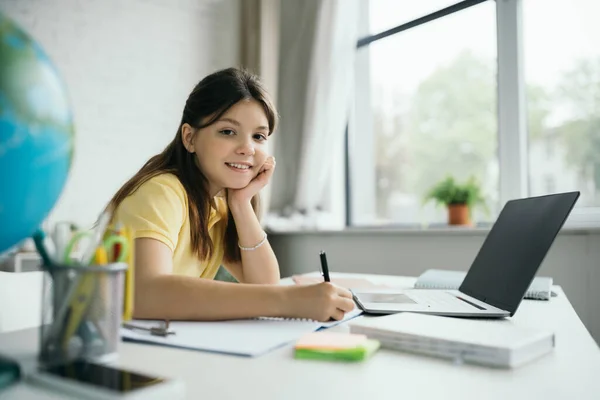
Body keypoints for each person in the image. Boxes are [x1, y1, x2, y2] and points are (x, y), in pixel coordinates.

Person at [107, 68, 354, 322]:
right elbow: (145, 293)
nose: (247, 148)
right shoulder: (162, 191)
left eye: (259, 136)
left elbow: (264, 286)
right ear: (190, 138)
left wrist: (241, 202)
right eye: (228, 131)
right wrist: (292, 300)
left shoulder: (216, 205)